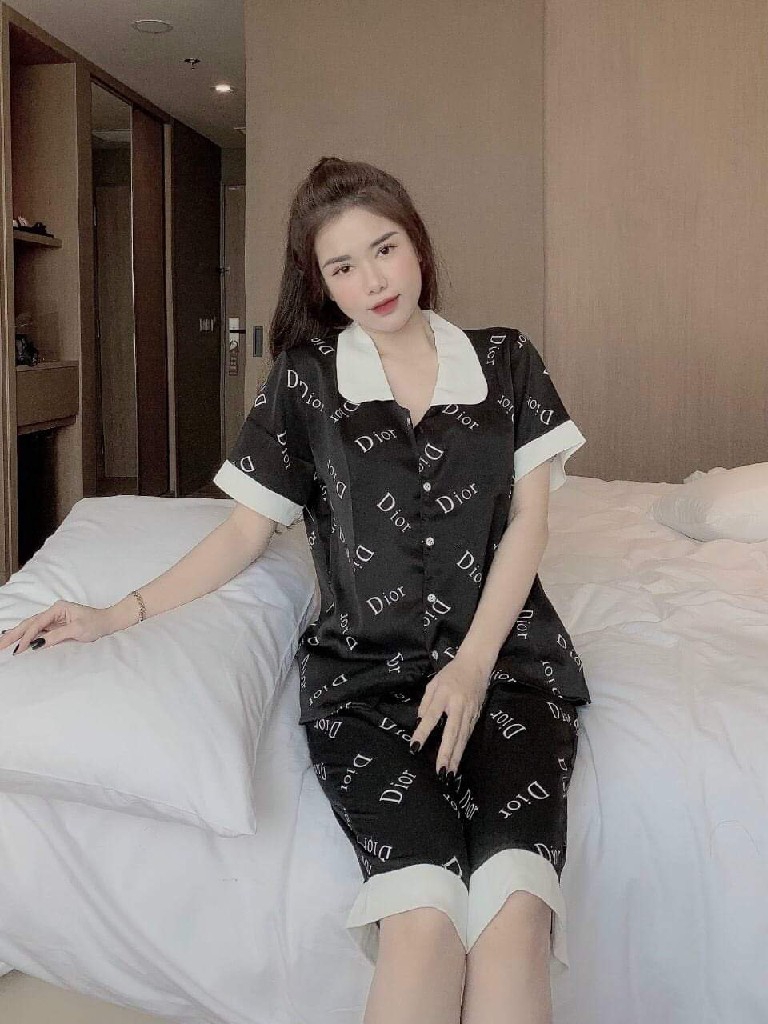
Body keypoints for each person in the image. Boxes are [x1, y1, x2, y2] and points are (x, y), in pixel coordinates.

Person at [0, 156, 590, 1024]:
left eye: (384, 249)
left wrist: (470, 667)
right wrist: (114, 614)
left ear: (417, 245)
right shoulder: (306, 380)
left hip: (508, 669)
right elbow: (244, 533)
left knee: (516, 914)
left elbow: (529, 525)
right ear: (320, 283)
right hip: (366, 682)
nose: (372, 281)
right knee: (421, 917)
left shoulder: (506, 360)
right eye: (342, 266)